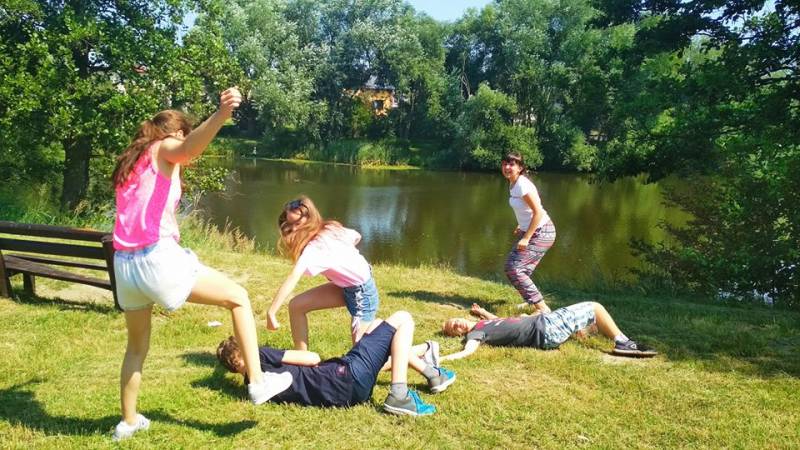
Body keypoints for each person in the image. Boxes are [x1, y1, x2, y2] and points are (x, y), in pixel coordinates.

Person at [110, 88, 285, 441]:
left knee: (136, 348)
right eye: (183, 134)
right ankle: (257, 382)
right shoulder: (163, 147)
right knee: (238, 297)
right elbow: (188, 148)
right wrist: (222, 114)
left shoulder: (133, 161)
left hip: (124, 265)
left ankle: (127, 423)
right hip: (154, 258)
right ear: (175, 133)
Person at [218, 311, 457, 416]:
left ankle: (432, 374)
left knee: (377, 325)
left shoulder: (255, 387)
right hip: (345, 376)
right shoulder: (260, 355)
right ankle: (399, 394)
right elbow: (312, 358)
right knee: (403, 319)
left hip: (346, 396)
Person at [267, 196, 379, 350]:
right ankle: (302, 357)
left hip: (362, 295)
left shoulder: (314, 248)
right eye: (289, 225)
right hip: (345, 288)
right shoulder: (330, 228)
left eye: (298, 224)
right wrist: (343, 264)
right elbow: (356, 236)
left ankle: (410, 352)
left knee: (363, 356)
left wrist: (271, 312)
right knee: (296, 305)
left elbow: (293, 277)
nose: (293, 230)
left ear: (310, 219)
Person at [441, 302, 657, 360]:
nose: (457, 324)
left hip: (544, 326)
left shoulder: (483, 325)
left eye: (454, 321)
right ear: (458, 335)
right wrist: (443, 358)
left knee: (590, 323)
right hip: (545, 328)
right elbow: (468, 351)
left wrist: (482, 312)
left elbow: (499, 321)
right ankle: (623, 342)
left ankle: (585, 332)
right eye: (454, 329)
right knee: (594, 307)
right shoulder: (475, 335)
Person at [501, 152, 555, 312]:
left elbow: (538, 211)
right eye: (504, 164)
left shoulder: (522, 185)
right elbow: (527, 209)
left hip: (542, 231)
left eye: (511, 164)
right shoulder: (514, 183)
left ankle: (543, 308)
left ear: (520, 168)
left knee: (514, 268)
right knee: (519, 269)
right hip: (533, 229)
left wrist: (526, 237)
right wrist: (521, 225)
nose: (507, 167)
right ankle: (532, 300)